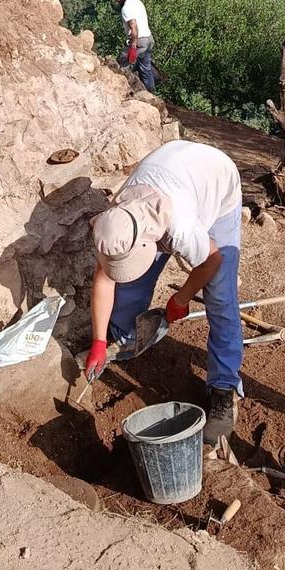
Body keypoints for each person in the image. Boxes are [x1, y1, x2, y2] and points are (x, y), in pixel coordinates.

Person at [84, 140, 243, 441]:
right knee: (130, 283)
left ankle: (224, 388)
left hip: (217, 183)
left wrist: (180, 299)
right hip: (173, 175)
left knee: (220, 297)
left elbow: (211, 260)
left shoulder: (181, 228)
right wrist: (99, 342)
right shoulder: (118, 222)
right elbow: (105, 279)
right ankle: (125, 338)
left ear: (147, 242)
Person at [108, 0, 156, 94]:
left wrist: (133, 47)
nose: (113, 0)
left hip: (139, 41)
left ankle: (117, 91)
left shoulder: (126, 8)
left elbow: (134, 27)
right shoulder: (136, 1)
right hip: (149, 39)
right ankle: (151, 94)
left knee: (120, 64)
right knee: (145, 68)